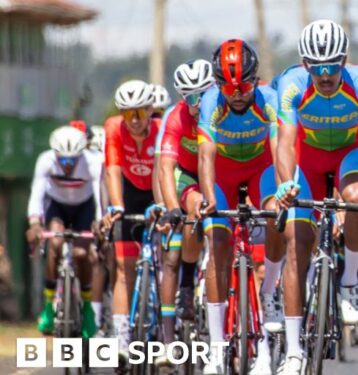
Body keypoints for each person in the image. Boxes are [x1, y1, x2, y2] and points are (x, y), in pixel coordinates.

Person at [274, 19, 358, 374]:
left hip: (349, 155)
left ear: (344, 60)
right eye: (316, 67)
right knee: (295, 244)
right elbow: (286, 143)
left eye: (332, 65)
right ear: (305, 64)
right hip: (309, 158)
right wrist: (286, 183)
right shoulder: (291, 85)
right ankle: (293, 350)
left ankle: (350, 278)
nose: (324, 74)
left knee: (355, 197)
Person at [196, 39, 284, 375]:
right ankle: (217, 347)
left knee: (277, 215)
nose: (237, 93)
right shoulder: (210, 103)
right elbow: (206, 156)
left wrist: (285, 189)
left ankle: (270, 291)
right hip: (224, 175)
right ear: (218, 85)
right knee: (218, 242)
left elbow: (279, 149)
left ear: (255, 79)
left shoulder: (269, 99)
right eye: (229, 87)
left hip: (261, 169)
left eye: (245, 85)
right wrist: (208, 199)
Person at [153, 59, 215, 368]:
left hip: (223, 174)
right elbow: (165, 169)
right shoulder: (174, 117)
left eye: (205, 93)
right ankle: (186, 289)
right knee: (174, 254)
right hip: (189, 177)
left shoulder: (223, 110)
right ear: (181, 98)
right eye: (191, 97)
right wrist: (171, 209)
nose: (199, 103)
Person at [99, 80, 160, 361]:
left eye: (139, 113)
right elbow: (112, 170)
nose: (134, 120)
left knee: (165, 262)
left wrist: (165, 206)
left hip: (156, 191)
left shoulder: (160, 130)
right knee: (124, 271)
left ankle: (162, 325)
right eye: (127, 114)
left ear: (150, 110)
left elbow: (165, 171)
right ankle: (122, 338)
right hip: (129, 193)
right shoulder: (113, 128)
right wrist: (117, 206)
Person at [26, 126, 103, 338]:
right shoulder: (46, 160)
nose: (67, 165)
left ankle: (87, 308)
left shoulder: (93, 163)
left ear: (81, 154)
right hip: (58, 206)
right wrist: (35, 223)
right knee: (55, 245)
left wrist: (99, 221)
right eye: (63, 160)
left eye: (73, 160)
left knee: (80, 254)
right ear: (55, 155)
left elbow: (99, 196)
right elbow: (37, 194)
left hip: (84, 208)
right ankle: (49, 307)